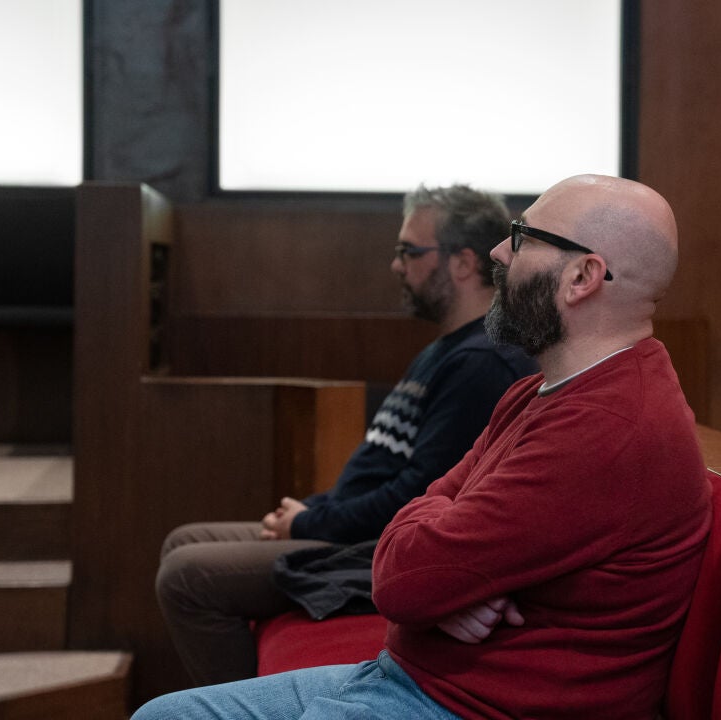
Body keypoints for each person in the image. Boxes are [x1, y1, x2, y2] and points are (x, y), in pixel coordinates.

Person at [133, 174, 712, 720]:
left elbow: (402, 579)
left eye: (523, 238)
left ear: (582, 276)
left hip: (474, 707)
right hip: (417, 677)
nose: (498, 253)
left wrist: (439, 573)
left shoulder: (607, 427)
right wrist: (445, 575)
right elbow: (427, 518)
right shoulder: (541, 390)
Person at [155, 184, 536, 686]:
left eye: (409, 251)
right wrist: (308, 513)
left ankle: (240, 707)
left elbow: (419, 493)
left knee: (187, 576)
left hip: (369, 547)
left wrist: (311, 522)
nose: (397, 265)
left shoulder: (482, 362)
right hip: (345, 526)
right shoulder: (446, 350)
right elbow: (380, 470)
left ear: (463, 263)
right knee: (183, 540)